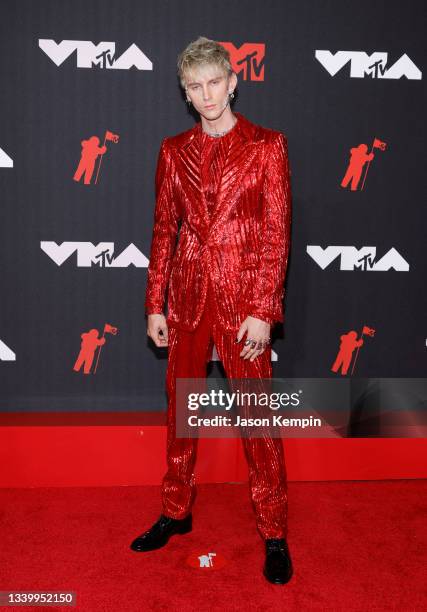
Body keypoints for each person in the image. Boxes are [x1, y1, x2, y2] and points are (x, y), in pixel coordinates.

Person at [130, 36, 293, 585]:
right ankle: (176, 511)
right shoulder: (172, 151)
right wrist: (156, 302)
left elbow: (276, 235)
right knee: (181, 414)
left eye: (214, 82)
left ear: (233, 81)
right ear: (185, 92)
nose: (207, 95)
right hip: (188, 299)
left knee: (257, 419)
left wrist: (264, 310)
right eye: (195, 87)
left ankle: (273, 529)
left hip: (245, 302)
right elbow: (162, 231)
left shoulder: (268, 145)